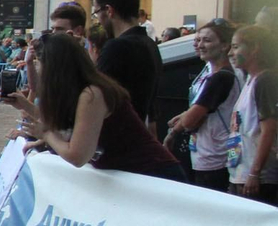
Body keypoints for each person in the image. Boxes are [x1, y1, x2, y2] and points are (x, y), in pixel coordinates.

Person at [10, 32, 185, 182]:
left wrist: (46, 134)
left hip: (154, 175)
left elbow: (77, 155)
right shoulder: (87, 91)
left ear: (53, 67)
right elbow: (69, 125)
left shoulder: (92, 95)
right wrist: (25, 105)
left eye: (39, 62)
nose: (39, 69)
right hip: (140, 175)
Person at [164, 21, 241, 191]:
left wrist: (175, 130)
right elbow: (198, 109)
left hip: (215, 158)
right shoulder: (209, 73)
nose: (200, 45)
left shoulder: (221, 78)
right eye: (198, 40)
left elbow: (192, 119)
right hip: (204, 155)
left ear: (224, 46)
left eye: (207, 40)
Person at [91, 0, 162, 127]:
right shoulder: (150, 44)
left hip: (118, 139)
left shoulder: (116, 47)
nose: (97, 20)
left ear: (109, 10)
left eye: (96, 12)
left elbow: (94, 99)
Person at [227, 24, 277, 204]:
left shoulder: (265, 80)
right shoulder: (250, 80)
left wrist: (254, 173)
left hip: (259, 179)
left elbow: (268, 130)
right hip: (241, 174)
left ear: (255, 48)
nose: (230, 53)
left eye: (235, 46)